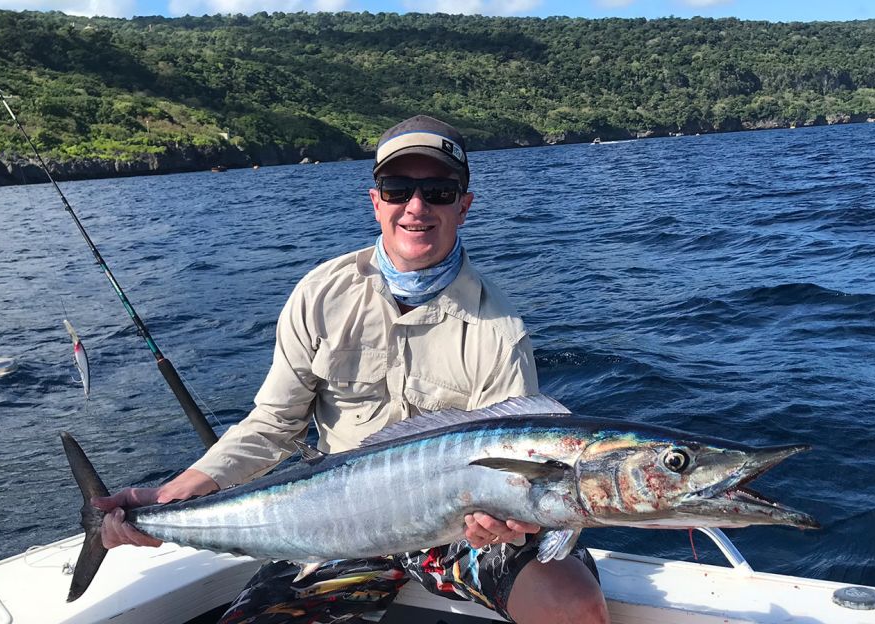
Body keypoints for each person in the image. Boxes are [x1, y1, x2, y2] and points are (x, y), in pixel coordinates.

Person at [94, 115, 609, 624]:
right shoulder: (321, 294)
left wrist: (503, 524)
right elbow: (273, 424)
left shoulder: (499, 328)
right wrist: (171, 494)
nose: (416, 207)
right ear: (375, 201)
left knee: (573, 606)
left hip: (454, 533)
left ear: (464, 206)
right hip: (334, 524)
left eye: (438, 191)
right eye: (397, 188)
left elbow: (517, 476)